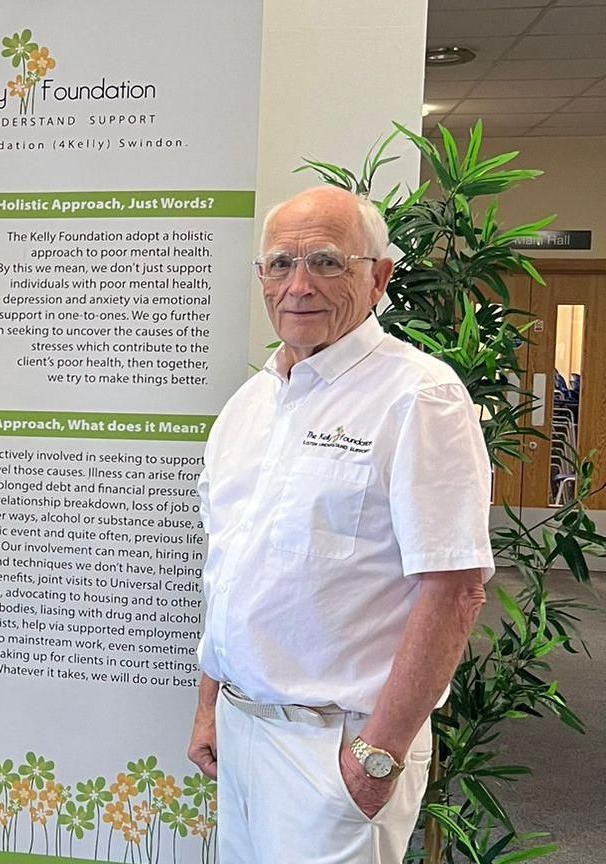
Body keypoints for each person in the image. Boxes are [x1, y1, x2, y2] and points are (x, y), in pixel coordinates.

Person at [187, 186, 492, 863]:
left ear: (379, 277)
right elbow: (229, 567)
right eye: (279, 264)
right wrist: (212, 703)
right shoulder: (249, 405)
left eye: (327, 262)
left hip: (337, 748)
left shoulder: (419, 397)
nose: (298, 286)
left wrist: (377, 755)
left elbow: (455, 589)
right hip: (242, 733)